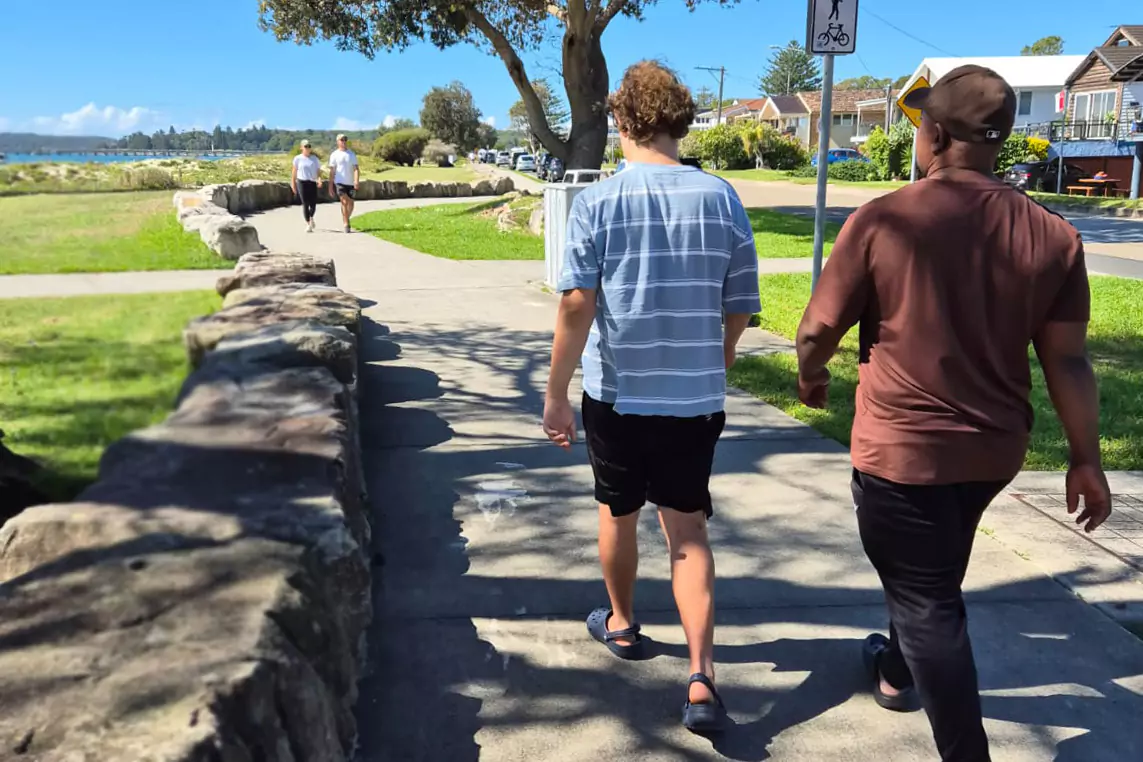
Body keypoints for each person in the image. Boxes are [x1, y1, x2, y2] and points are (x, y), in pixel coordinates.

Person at [795, 65, 1112, 761]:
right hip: (992, 452)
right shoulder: (1053, 235)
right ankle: (895, 668)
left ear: (933, 135)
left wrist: (811, 372)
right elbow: (1066, 361)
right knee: (926, 572)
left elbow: (817, 329)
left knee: (927, 602)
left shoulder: (882, 218)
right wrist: (1084, 459)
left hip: (904, 451)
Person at [542, 60, 761, 733]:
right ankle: (700, 677)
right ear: (679, 120)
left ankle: (624, 623)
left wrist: (555, 394)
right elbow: (740, 303)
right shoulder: (721, 197)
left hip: (617, 394)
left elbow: (577, 304)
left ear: (620, 119)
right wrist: (714, 365)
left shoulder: (600, 202)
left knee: (618, 513)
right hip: (693, 400)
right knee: (688, 532)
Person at [328, 134, 359, 233]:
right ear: (338, 142)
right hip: (339, 182)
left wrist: (356, 180)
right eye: (342, 140)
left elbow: (356, 169)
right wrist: (330, 186)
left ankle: (346, 217)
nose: (344, 141)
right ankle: (346, 223)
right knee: (344, 202)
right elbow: (332, 171)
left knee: (351, 203)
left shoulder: (351, 154)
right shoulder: (334, 155)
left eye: (345, 139)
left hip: (350, 182)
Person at [291, 139, 321, 233]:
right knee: (305, 203)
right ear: (301, 148)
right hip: (301, 182)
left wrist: (319, 179)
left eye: (309, 146)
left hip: (312, 182)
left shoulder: (314, 159)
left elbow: (318, 172)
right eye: (305, 146)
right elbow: (294, 172)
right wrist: (293, 183)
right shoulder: (298, 158)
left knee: (313, 204)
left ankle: (311, 217)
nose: (307, 148)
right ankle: (308, 224)